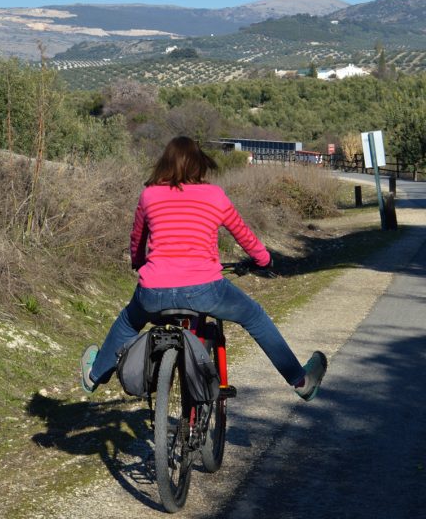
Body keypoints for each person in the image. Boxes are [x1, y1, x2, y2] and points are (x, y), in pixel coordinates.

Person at [81, 136, 327, 401]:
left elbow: (137, 241)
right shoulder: (214, 195)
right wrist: (263, 260)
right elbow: (245, 236)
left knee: (129, 320)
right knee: (254, 316)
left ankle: (95, 375)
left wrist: (139, 264)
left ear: (165, 163)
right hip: (205, 290)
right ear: (199, 165)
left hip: (153, 291)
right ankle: (299, 381)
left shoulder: (149, 194)